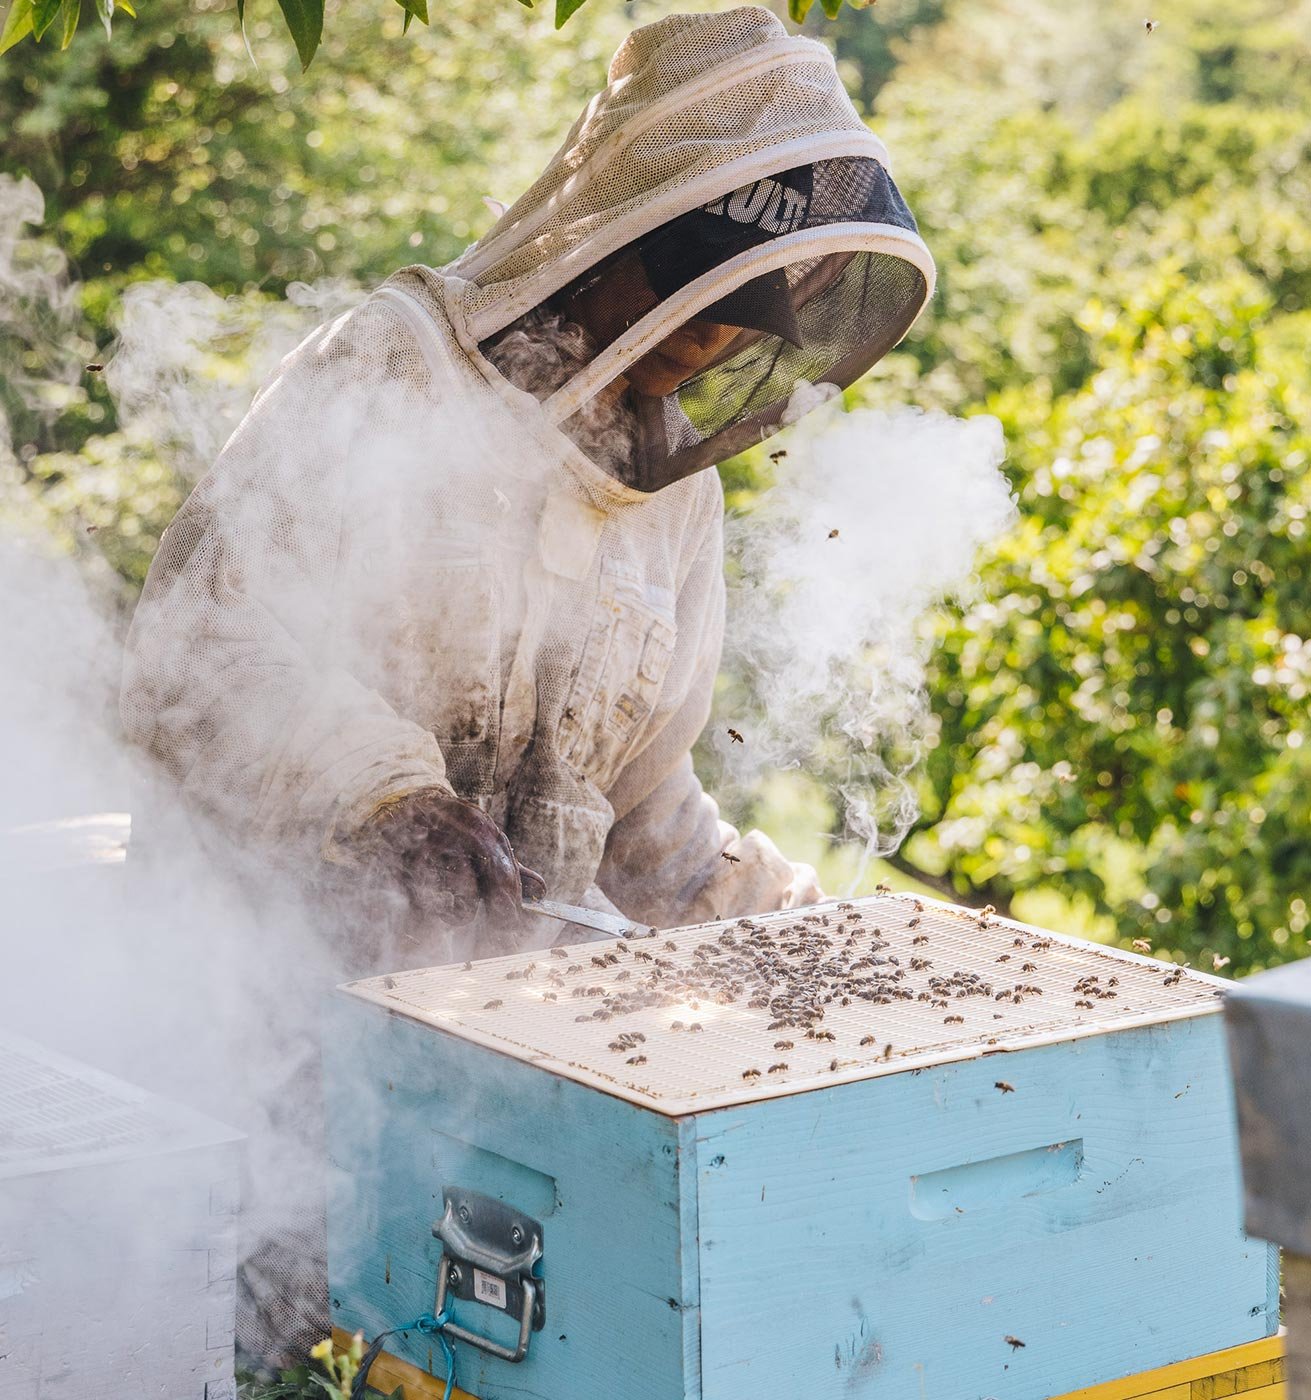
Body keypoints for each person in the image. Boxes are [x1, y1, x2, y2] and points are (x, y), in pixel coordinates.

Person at [119, 3, 934, 1363]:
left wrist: (804, 932)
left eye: (743, 322)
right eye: (695, 292)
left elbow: (639, 805)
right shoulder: (386, 370)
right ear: (621, 232)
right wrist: (383, 802)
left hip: (499, 1094)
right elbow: (200, 656)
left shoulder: (675, 497)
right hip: (261, 1039)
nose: (710, 343)